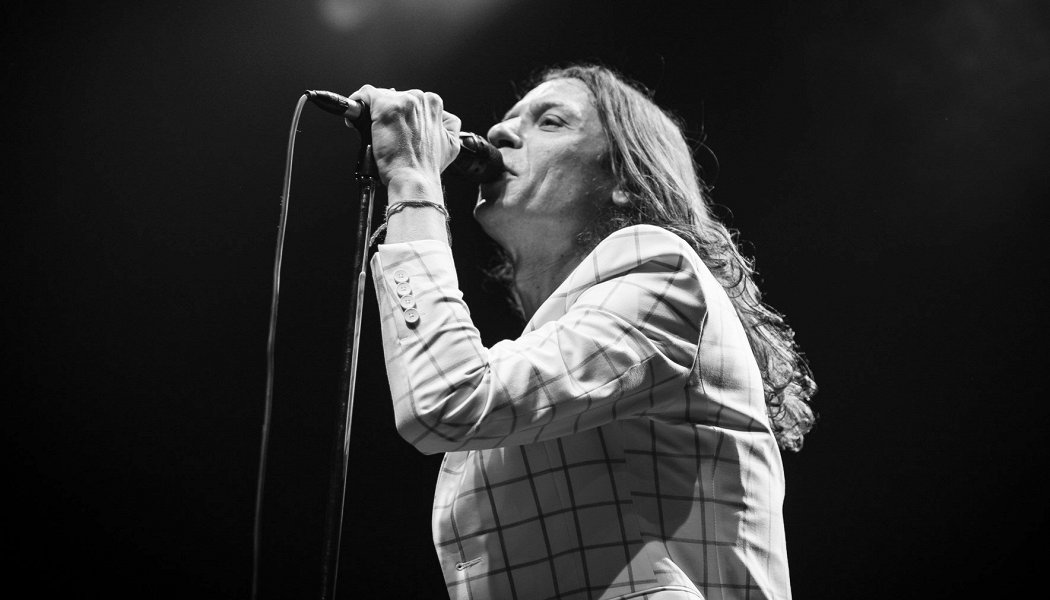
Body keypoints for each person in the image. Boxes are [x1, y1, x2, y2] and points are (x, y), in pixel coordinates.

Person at [351, 64, 816, 600]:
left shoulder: (662, 271)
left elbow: (449, 396)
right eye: (508, 119)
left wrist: (413, 182)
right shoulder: (552, 344)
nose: (501, 132)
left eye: (551, 122)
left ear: (623, 179)